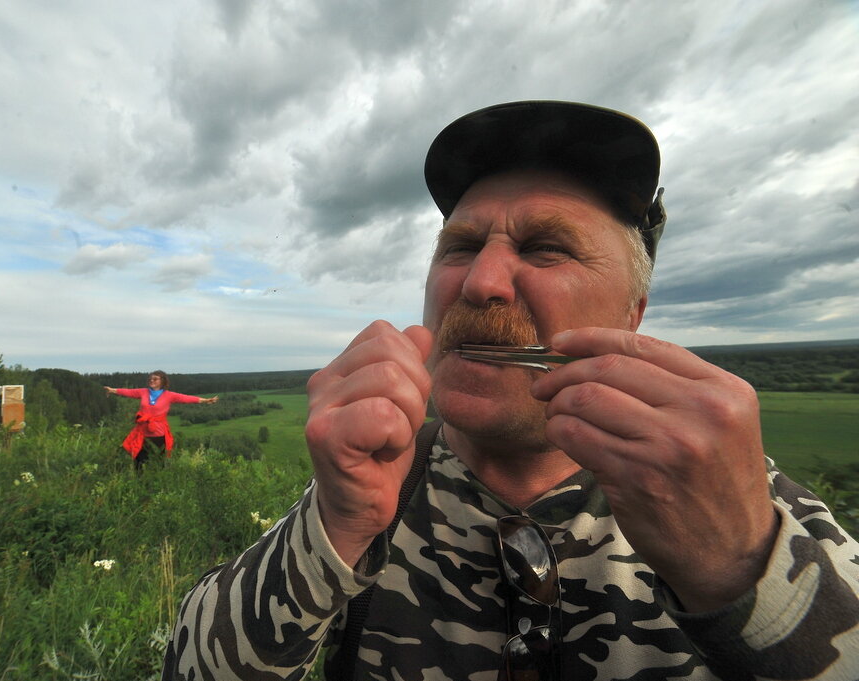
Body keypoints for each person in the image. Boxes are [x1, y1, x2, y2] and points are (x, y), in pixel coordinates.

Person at [163, 102, 859, 680]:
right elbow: (187, 669)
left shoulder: (735, 500)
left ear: (632, 316)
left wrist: (741, 571)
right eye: (460, 247)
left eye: (544, 247)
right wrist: (330, 529)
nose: (480, 282)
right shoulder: (379, 482)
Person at [104, 370, 218, 470]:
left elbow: (186, 398)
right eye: (150, 378)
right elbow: (128, 392)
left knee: (158, 461)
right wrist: (112, 390)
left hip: (159, 434)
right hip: (143, 432)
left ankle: (158, 484)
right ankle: (139, 485)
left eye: (155, 379)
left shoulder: (169, 395)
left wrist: (205, 400)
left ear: (162, 381)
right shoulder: (143, 392)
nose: (151, 380)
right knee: (139, 461)